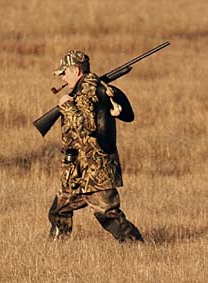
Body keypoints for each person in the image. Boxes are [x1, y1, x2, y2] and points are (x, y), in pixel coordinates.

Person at [48, 50, 144, 243]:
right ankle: (54, 251)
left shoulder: (87, 92)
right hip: (79, 171)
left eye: (64, 73)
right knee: (59, 209)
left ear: (75, 70)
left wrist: (67, 107)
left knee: (108, 214)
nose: (63, 78)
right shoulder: (82, 90)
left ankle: (137, 249)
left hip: (94, 169)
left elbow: (86, 126)